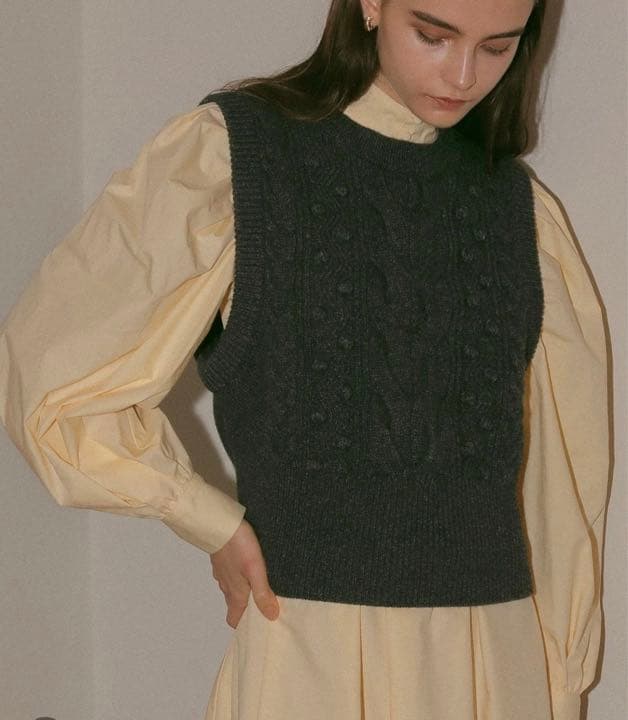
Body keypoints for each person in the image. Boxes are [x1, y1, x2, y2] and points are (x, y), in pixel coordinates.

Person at [0, 0, 610, 719]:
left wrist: (559, 676)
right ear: (371, 5)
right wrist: (205, 517)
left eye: (498, 48)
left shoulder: (518, 211)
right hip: (310, 656)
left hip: (493, 664)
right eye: (433, 36)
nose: (463, 75)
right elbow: (52, 378)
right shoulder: (238, 159)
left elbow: (562, 485)